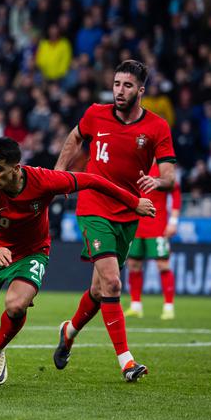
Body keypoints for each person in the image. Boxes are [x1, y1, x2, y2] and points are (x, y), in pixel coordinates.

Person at [0, 137, 155, 386]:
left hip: (31, 252)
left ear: (16, 168)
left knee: (16, 305)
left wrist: (133, 202)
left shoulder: (43, 180)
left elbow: (92, 180)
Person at [53, 60, 176, 382]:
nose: (120, 91)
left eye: (127, 86)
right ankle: (126, 361)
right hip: (94, 204)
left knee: (98, 288)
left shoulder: (157, 127)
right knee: (113, 283)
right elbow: (75, 137)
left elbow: (169, 173)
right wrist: (59, 174)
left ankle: (69, 330)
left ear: (141, 91)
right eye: (117, 84)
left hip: (128, 211)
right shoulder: (95, 113)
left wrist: (159, 183)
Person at [125, 162, 181, 320]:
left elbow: (175, 192)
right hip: (135, 224)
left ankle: (168, 306)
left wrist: (174, 221)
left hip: (157, 224)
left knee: (163, 264)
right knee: (134, 264)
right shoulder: (135, 162)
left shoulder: (163, 167)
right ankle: (136, 306)